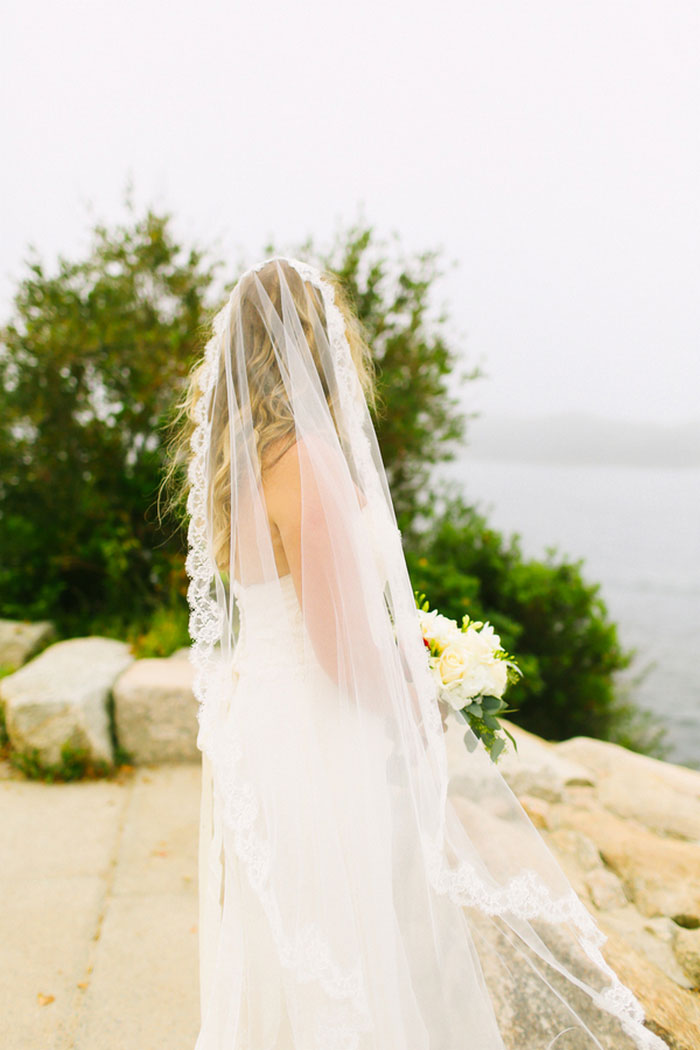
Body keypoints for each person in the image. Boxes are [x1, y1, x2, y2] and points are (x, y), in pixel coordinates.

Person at [166, 256, 669, 1049]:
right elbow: (337, 649)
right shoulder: (304, 458)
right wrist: (424, 690)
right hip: (316, 731)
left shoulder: (242, 463)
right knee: (344, 945)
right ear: (314, 342)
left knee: (288, 952)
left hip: (265, 717)